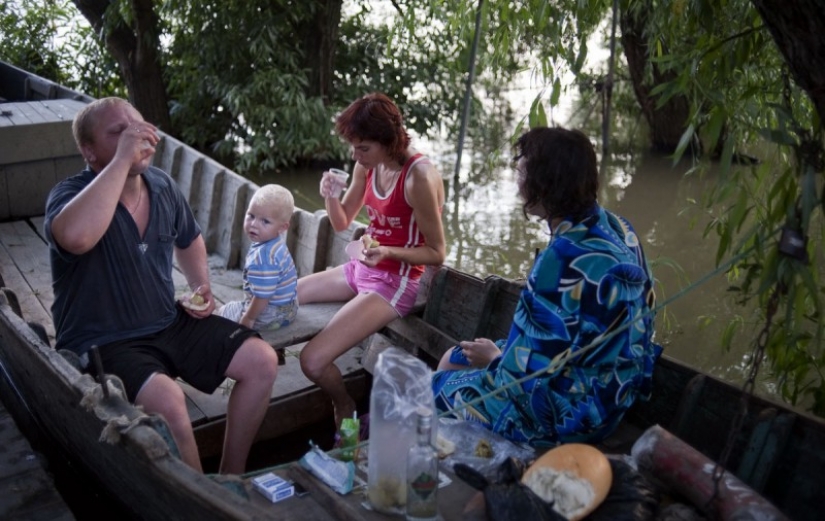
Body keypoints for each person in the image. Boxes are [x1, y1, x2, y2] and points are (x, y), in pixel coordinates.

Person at [44, 97, 279, 474]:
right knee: (170, 402)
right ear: (89, 151)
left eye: (137, 127)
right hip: (103, 340)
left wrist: (202, 287)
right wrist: (122, 160)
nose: (135, 137)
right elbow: (76, 238)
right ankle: (198, 502)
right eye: (119, 132)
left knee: (262, 360)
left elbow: (189, 240)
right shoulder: (70, 194)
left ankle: (230, 478)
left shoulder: (162, 186)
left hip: (167, 320)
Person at [432, 127, 662, 448]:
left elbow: (520, 379)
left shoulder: (560, 258)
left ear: (543, 182)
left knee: (434, 388)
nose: (516, 176)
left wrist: (497, 359)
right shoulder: (619, 226)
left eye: (521, 168)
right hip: (616, 395)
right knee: (456, 355)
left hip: (571, 415)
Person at [297, 92, 446, 429]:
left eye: (363, 148)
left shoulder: (417, 177)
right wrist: (330, 196)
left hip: (396, 283)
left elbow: (437, 252)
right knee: (286, 295)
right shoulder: (367, 165)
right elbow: (341, 222)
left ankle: (344, 404)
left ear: (389, 141)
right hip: (363, 266)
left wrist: (390, 252)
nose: (355, 154)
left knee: (313, 361)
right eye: (353, 146)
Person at [215, 184, 299, 330]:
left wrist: (249, 317)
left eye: (265, 221)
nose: (254, 224)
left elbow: (262, 296)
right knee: (233, 307)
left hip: (270, 314)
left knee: (221, 314)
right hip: (289, 308)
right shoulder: (275, 244)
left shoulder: (263, 258)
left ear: (283, 227)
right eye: (251, 216)